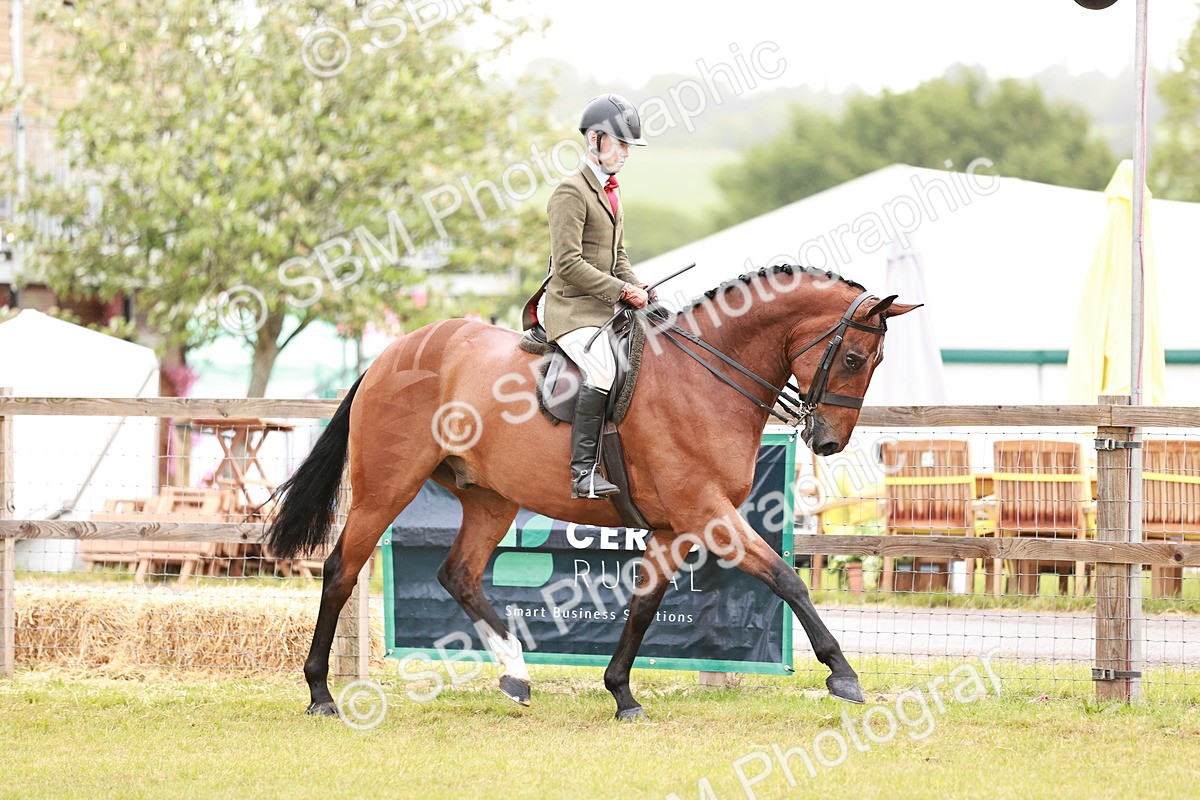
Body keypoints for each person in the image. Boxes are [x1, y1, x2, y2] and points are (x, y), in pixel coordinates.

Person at [522, 93, 652, 500]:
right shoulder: (570, 192)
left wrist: (638, 286)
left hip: (603, 306)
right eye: (621, 143)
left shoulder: (612, 193)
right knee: (602, 372)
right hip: (570, 308)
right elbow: (567, 264)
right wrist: (619, 290)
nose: (626, 154)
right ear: (595, 140)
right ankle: (582, 473)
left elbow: (618, 255)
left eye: (629, 146)